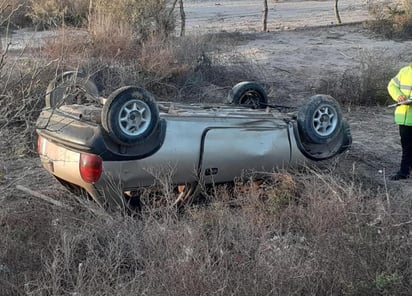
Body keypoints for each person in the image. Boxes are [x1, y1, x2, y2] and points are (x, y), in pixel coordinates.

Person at [388, 63, 412, 180]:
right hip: (404, 118)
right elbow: (392, 86)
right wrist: (399, 96)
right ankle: (405, 171)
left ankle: (403, 172)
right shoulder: (404, 71)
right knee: (406, 146)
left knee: (408, 147)